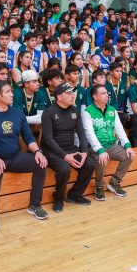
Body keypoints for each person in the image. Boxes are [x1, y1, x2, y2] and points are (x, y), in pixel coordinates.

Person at [0, 81, 49, 233]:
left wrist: (38, 152)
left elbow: (28, 137)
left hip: (14, 157)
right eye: (8, 91)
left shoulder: (17, 113)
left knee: (40, 163)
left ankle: (35, 205)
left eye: (11, 91)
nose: (12, 94)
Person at [40, 83, 94, 213]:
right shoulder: (48, 112)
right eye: (68, 93)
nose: (72, 96)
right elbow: (47, 139)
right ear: (59, 97)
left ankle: (74, 195)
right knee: (64, 169)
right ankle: (58, 198)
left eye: (72, 93)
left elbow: (81, 133)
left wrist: (84, 152)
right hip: (51, 150)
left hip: (69, 147)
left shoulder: (75, 110)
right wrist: (65, 156)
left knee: (89, 164)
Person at [83, 84, 135, 201]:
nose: (106, 95)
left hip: (111, 145)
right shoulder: (87, 112)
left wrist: (127, 146)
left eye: (106, 93)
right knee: (103, 160)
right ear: (95, 97)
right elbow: (89, 134)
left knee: (129, 156)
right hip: (95, 147)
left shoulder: (112, 110)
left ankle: (114, 183)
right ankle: (99, 187)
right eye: (102, 93)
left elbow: (119, 129)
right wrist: (100, 150)